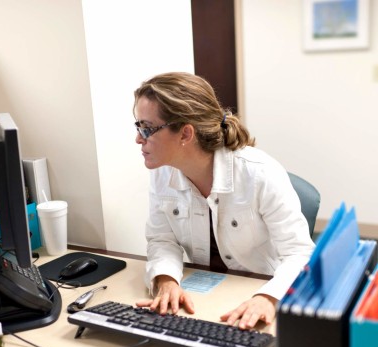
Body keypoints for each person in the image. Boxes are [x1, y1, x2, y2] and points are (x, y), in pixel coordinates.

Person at [133, 72, 315, 329]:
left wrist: (267, 297)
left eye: (147, 128)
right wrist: (166, 280)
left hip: (261, 291)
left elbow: (300, 252)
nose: (138, 139)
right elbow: (162, 239)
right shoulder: (163, 172)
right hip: (204, 295)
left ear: (185, 134)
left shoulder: (260, 172)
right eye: (138, 126)